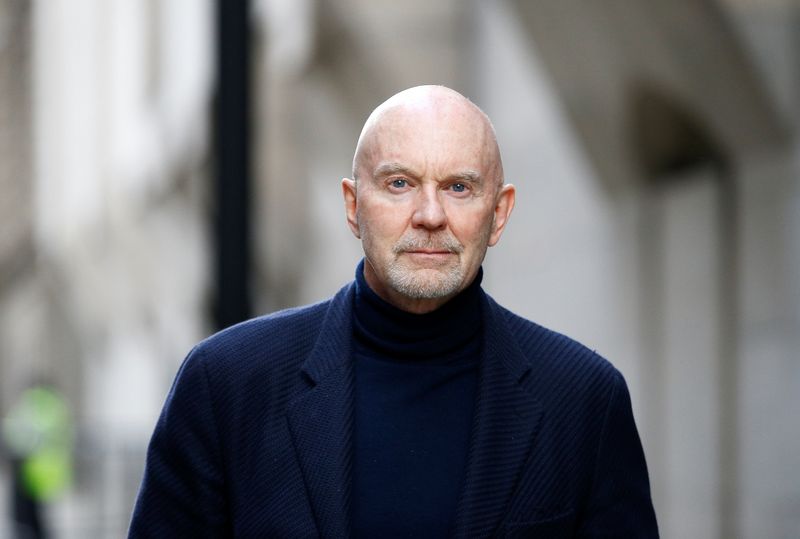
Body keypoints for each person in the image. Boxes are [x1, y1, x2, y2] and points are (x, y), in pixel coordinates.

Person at [129, 85, 658, 538]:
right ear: (354, 206)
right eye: (400, 183)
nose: (430, 215)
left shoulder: (584, 401)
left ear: (498, 214)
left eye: (459, 187)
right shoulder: (227, 384)